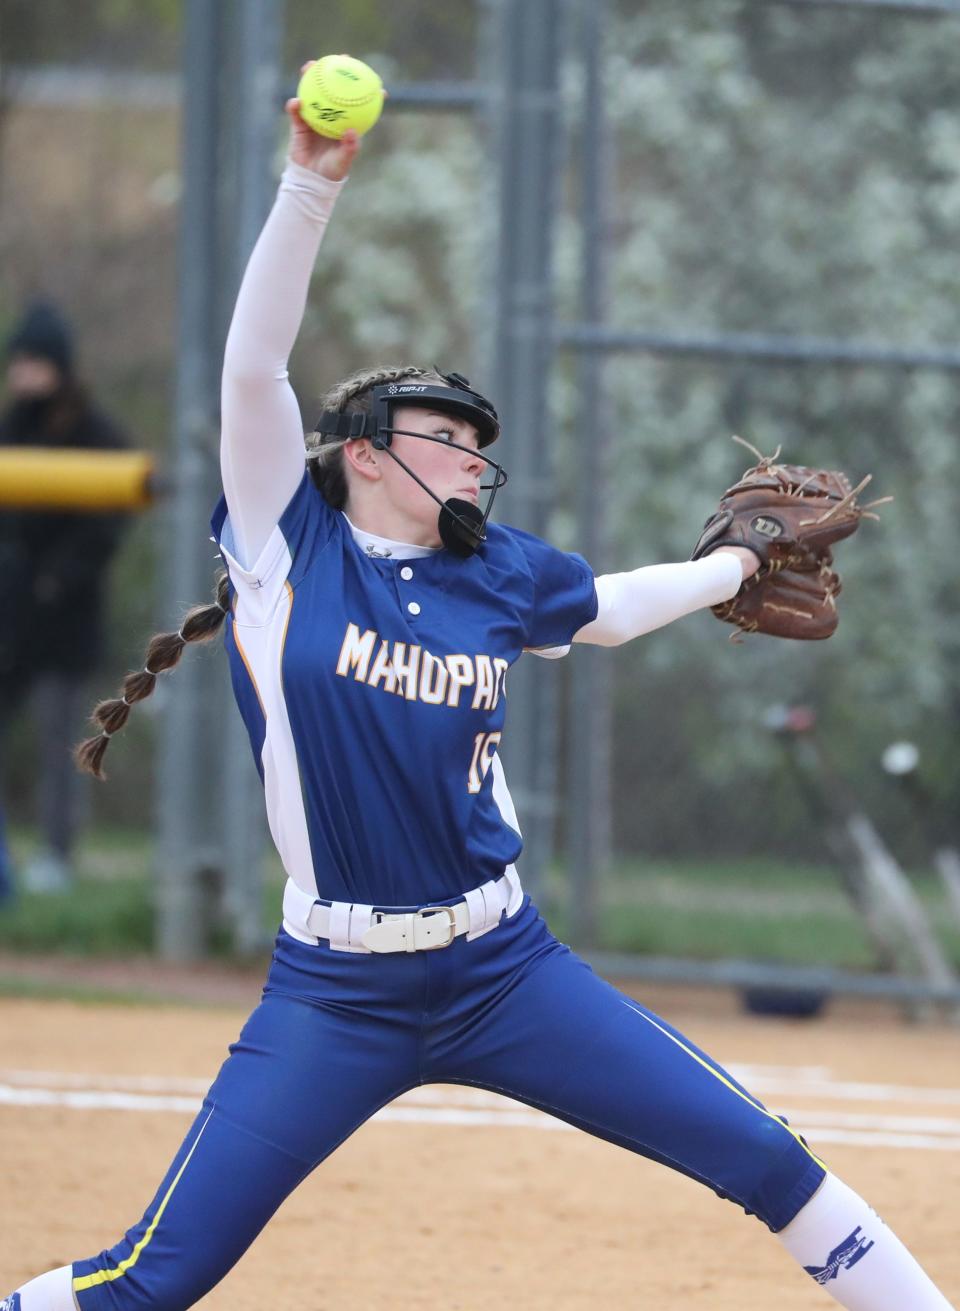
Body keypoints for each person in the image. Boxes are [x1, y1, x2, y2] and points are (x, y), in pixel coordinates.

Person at [4, 77, 954, 1311]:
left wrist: (734, 562)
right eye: (445, 437)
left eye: (475, 442)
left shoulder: (495, 573)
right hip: (336, 990)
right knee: (154, 1278)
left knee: (767, 1159)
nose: (471, 458)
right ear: (365, 455)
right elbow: (251, 366)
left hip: (504, 968)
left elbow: (606, 610)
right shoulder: (289, 548)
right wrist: (311, 185)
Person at [0, 300, 129, 895]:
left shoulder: (94, 433)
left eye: (31, 361)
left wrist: (57, 581)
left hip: (64, 622)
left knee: (60, 745)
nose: (21, 373)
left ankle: (56, 857)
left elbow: (104, 527)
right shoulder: (13, 428)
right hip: (11, 616)